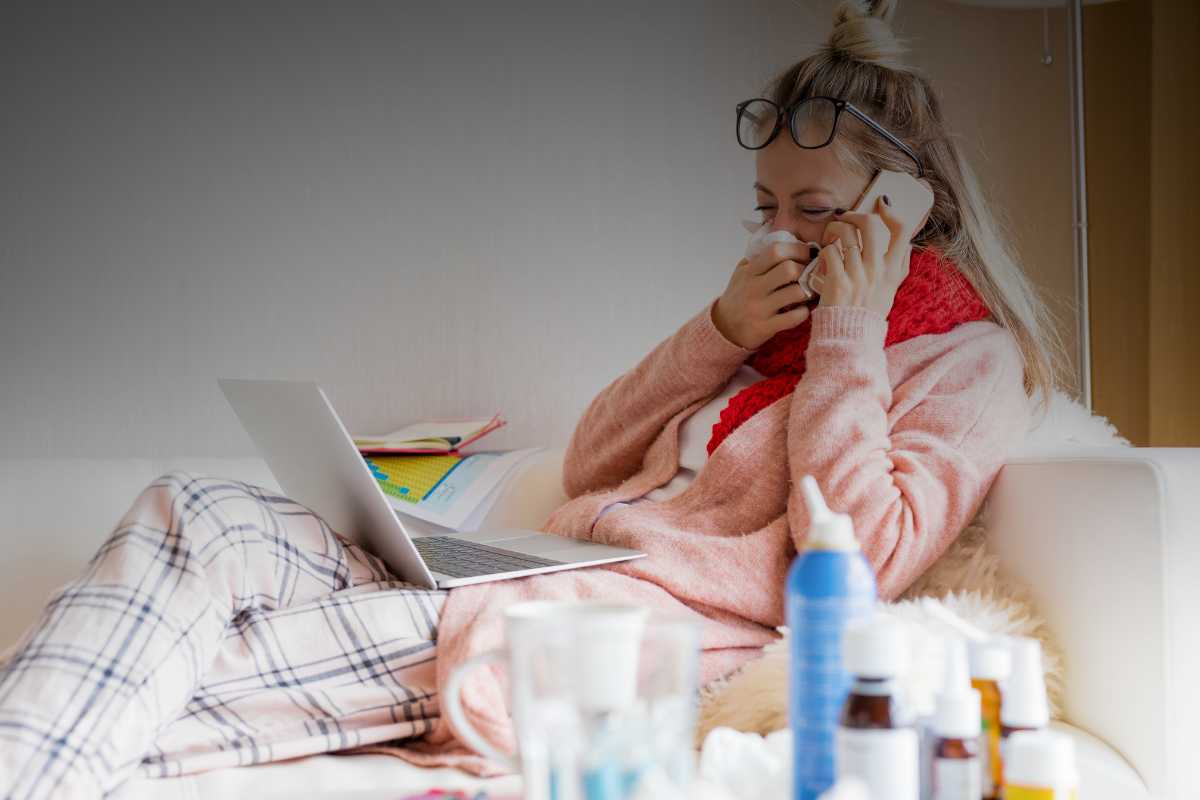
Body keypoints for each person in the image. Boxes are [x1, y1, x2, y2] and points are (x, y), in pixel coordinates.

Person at [0, 0, 1060, 797]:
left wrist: (850, 335)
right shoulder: (772, 317)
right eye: (764, 207)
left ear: (905, 206)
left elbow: (862, 557)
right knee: (197, 509)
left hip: (606, 626)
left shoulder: (964, 364)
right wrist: (720, 331)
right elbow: (593, 462)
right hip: (543, 563)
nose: (781, 236)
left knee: (182, 671)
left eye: (814, 209)